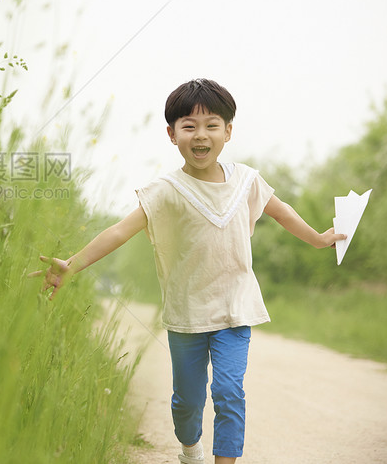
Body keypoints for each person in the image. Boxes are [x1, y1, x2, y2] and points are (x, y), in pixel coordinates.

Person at [29, 79, 345, 464]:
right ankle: (189, 448)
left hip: (234, 309)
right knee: (187, 401)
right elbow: (119, 231)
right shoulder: (166, 189)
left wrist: (317, 239)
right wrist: (72, 265)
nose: (201, 135)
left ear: (228, 131)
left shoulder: (246, 180)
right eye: (189, 126)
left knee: (229, 391)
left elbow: (281, 212)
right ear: (171, 134)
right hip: (186, 314)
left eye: (212, 125)